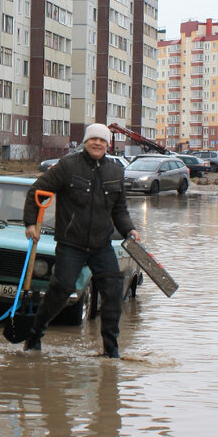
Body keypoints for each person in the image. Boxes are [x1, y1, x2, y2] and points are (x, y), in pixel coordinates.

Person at [20, 123, 140, 357]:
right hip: (70, 244)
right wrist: (31, 223)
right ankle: (35, 333)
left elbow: (119, 210)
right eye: (93, 139)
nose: (98, 143)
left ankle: (111, 351)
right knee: (61, 291)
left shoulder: (115, 171)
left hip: (101, 245)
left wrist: (130, 230)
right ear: (85, 142)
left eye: (102, 140)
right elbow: (37, 190)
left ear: (108, 145)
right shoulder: (68, 166)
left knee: (114, 292)